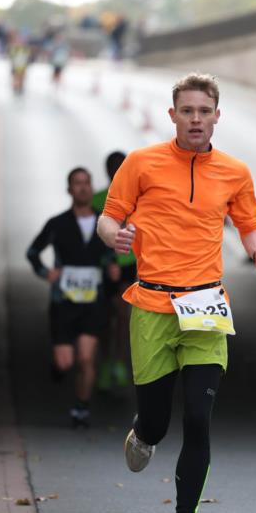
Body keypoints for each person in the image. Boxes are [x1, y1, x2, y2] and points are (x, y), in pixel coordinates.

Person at [97, 72, 256, 513]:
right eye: (187, 111)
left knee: (198, 419)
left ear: (217, 115)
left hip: (205, 309)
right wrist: (115, 236)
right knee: (157, 422)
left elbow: (248, 223)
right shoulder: (141, 163)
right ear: (172, 114)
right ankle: (142, 433)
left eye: (205, 111)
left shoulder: (234, 172)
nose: (196, 119)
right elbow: (108, 216)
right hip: (153, 306)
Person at [27, 167, 120, 427]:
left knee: (86, 358)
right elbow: (33, 252)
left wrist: (112, 268)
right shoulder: (57, 224)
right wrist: (46, 273)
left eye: (86, 183)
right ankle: (58, 368)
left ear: (91, 188)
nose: (82, 188)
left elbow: (111, 255)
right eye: (77, 183)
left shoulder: (105, 224)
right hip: (64, 303)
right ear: (70, 190)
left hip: (93, 303)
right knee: (65, 363)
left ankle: (82, 408)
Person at [92, 152, 136, 390]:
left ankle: (117, 363)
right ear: (108, 172)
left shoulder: (138, 200)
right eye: (114, 169)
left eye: (122, 168)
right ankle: (105, 361)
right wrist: (108, 261)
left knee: (122, 316)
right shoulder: (97, 199)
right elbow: (90, 236)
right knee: (104, 319)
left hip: (129, 266)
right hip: (101, 270)